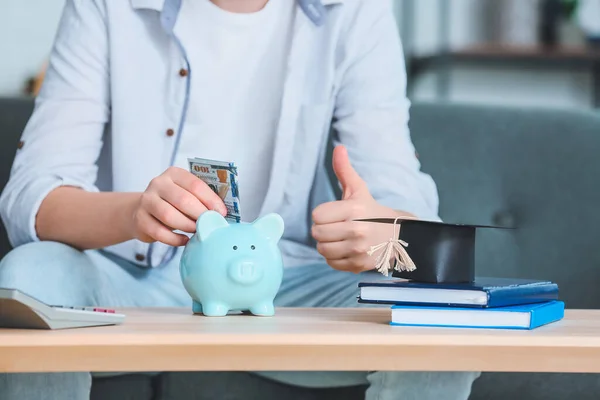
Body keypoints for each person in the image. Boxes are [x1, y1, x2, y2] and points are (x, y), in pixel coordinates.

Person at [0, 0, 480, 398]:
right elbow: (33, 195)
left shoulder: (354, 11)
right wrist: (134, 212)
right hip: (126, 280)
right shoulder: (107, 5)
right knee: (30, 274)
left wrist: (380, 232)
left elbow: (412, 218)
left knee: (436, 309)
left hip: (288, 285)